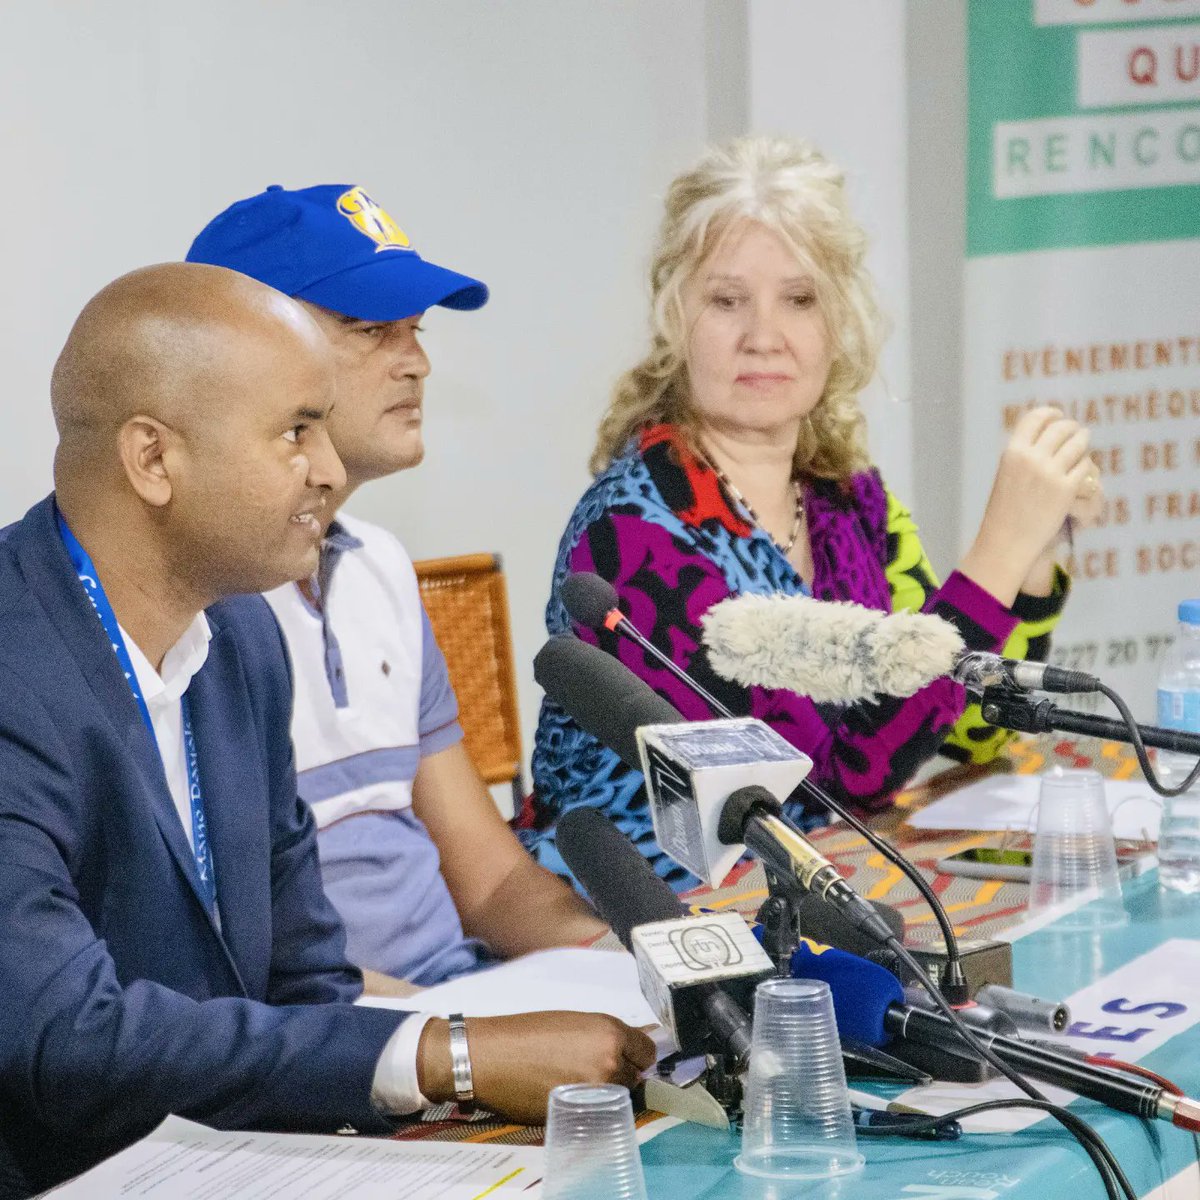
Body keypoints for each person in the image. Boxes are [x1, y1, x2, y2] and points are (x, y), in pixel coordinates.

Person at [0, 264, 652, 1195]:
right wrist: (446, 1054)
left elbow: (304, 976)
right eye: (295, 432)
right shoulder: (14, 664)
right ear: (153, 460)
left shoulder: (243, 638)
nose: (332, 468)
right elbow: (62, 1038)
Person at [520, 136, 1104, 891]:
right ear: (676, 322)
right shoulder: (632, 533)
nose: (764, 336)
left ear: (839, 322)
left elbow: (962, 727)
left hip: (810, 889)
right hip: (640, 918)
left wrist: (1034, 558)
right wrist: (996, 547)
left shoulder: (846, 501)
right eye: (727, 301)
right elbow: (839, 779)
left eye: (799, 300)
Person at [186, 185, 608, 992]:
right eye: (372, 330)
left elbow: (492, 883)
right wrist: (461, 1043)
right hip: (346, 1045)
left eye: (416, 331)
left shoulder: (380, 565)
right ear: (250, 353)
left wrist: (615, 965)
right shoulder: (192, 605)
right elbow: (231, 959)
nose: (417, 361)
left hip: (458, 1004)